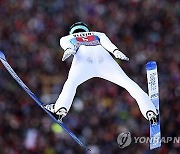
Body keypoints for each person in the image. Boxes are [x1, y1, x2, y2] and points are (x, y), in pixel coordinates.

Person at [45, 22, 158, 125]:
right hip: (104, 59)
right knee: (128, 84)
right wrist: (115, 51)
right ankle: (150, 112)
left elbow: (65, 43)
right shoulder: (97, 33)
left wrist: (69, 49)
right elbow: (106, 42)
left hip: (84, 60)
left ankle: (61, 109)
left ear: (72, 31)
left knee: (71, 84)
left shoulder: (68, 37)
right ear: (86, 29)